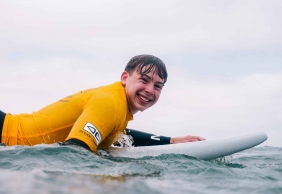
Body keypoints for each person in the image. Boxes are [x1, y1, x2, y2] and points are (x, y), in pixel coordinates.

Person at [0, 55, 205, 152]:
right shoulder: (110, 104)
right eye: (144, 80)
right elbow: (73, 152)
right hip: (7, 138)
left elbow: (121, 135)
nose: (150, 90)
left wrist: (169, 141)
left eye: (158, 86)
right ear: (125, 77)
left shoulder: (117, 105)